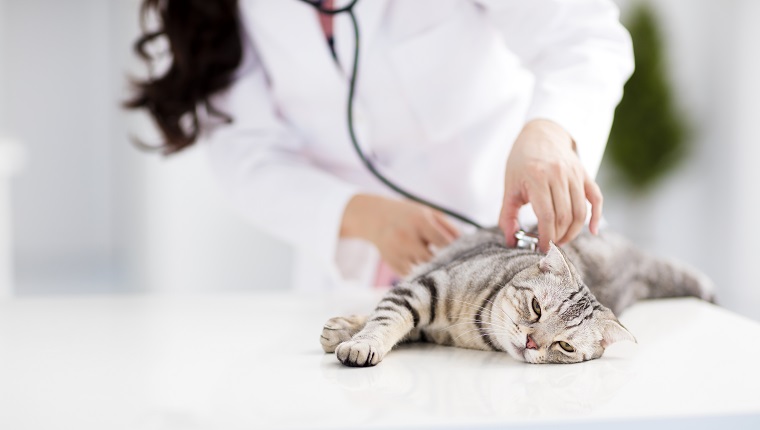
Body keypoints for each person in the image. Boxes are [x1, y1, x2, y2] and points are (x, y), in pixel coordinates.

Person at [127, 0, 634, 292]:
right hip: (355, 287)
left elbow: (583, 37)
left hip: (516, 261)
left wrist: (549, 132)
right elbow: (246, 154)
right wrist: (357, 215)